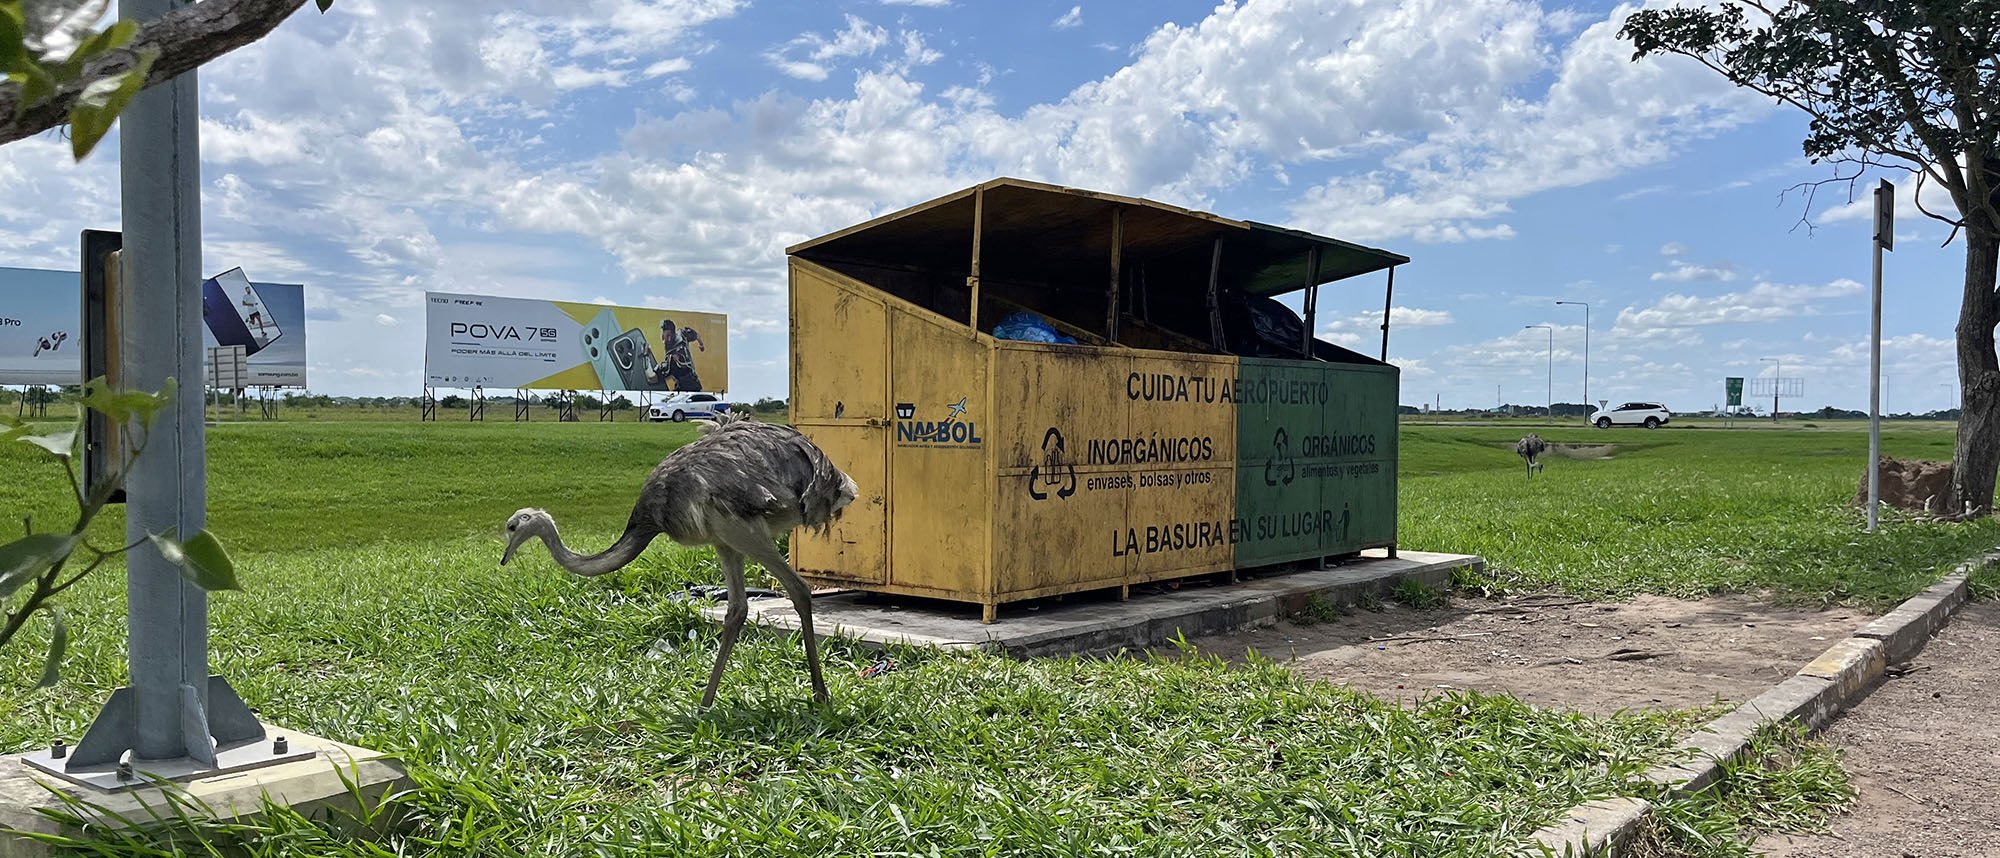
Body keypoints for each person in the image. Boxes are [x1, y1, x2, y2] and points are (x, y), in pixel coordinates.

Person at [647, 318, 705, 391]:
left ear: (668, 336)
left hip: (686, 391)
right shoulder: (683, 334)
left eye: (663, 333)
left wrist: (646, 357)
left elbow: (651, 378)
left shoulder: (672, 359)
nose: (661, 335)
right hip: (697, 386)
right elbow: (696, 335)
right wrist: (701, 345)